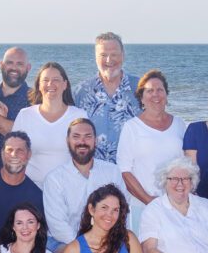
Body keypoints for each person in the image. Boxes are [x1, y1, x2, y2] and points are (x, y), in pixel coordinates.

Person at [43, 118, 127, 253]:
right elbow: (58, 226)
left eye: (88, 137)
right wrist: (89, 248)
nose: (82, 142)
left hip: (107, 238)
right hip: (65, 242)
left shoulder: (112, 172)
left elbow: (123, 211)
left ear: (96, 141)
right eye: (76, 137)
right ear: (67, 141)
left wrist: (109, 242)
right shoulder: (54, 179)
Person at [116, 69, 186, 230]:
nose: (155, 95)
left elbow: (187, 165)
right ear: (141, 97)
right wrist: (148, 200)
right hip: (142, 205)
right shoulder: (132, 127)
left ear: (166, 95)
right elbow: (124, 171)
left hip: (176, 204)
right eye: (149, 91)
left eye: (160, 90)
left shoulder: (180, 124)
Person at [12, 61, 88, 186]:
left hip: (69, 188)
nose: (50, 84)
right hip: (31, 189)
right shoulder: (25, 115)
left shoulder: (79, 116)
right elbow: (14, 153)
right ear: (38, 85)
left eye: (56, 80)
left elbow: (85, 157)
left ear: (65, 84)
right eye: (45, 80)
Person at [74, 32, 142, 163]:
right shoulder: (80, 92)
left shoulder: (141, 89)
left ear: (123, 56)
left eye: (114, 54)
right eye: (103, 55)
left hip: (132, 172)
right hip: (92, 173)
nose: (109, 60)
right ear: (95, 57)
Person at [0, 47, 32, 171]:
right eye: (9, 62)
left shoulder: (35, 99)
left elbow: (17, 135)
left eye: (20, 64)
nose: (14, 68)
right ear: (1, 65)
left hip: (17, 177)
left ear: (28, 68)